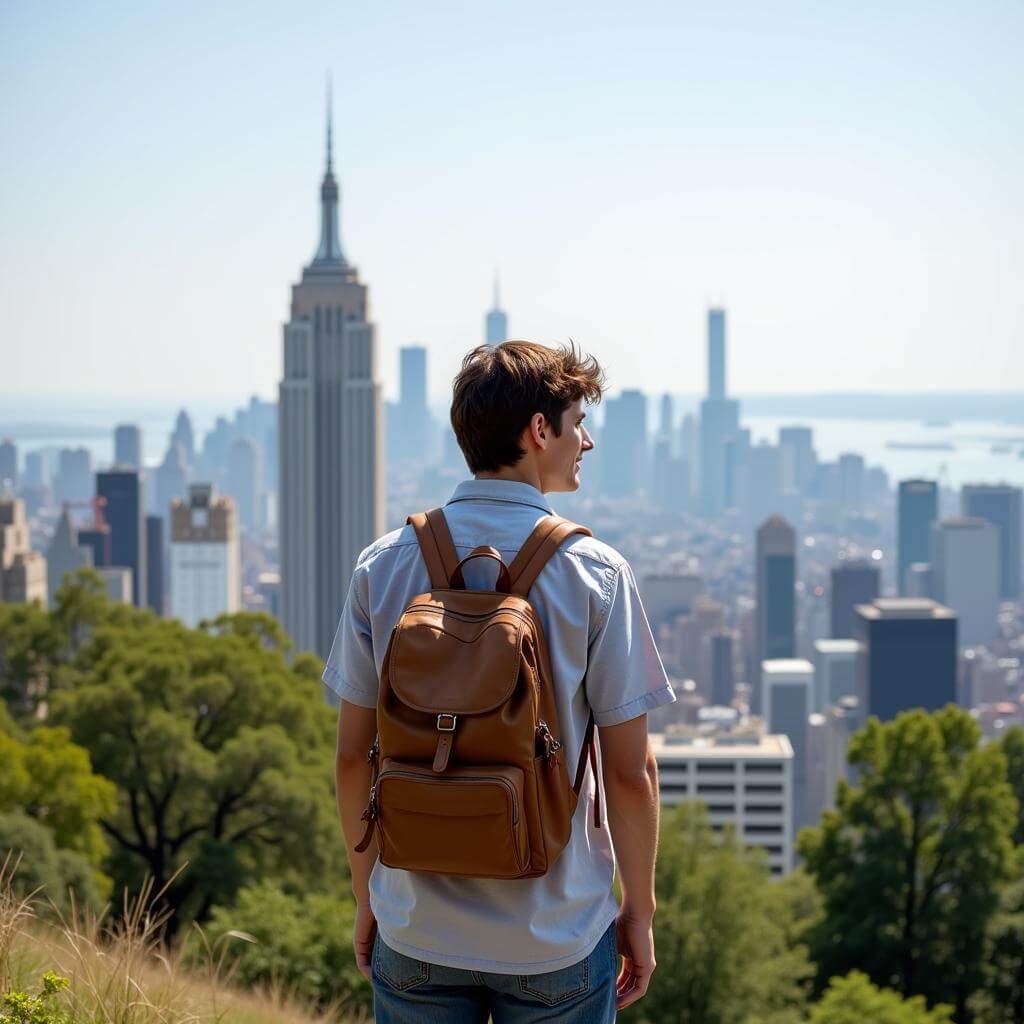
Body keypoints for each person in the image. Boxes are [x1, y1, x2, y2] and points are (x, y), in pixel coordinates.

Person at [326, 340, 675, 1022]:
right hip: (555, 935)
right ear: (538, 432)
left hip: (417, 926)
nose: (588, 441)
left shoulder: (383, 565)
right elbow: (631, 775)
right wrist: (640, 910)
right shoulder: (595, 573)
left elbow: (349, 759)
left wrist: (367, 897)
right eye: (577, 423)